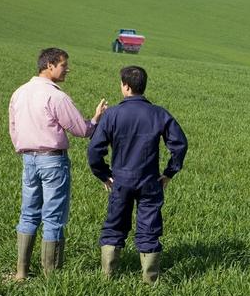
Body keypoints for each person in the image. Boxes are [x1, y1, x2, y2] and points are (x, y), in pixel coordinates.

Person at [9, 48, 107, 280]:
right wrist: (96, 119)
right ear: (50, 65)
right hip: (52, 160)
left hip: (28, 159)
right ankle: (51, 278)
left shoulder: (19, 92)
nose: (67, 69)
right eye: (64, 65)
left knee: (28, 214)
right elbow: (81, 130)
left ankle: (21, 273)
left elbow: (14, 128)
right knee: (53, 217)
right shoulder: (56, 96)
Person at [87, 66, 188, 284]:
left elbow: (94, 150)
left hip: (120, 180)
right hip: (150, 180)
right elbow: (180, 145)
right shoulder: (159, 113)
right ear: (143, 86)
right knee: (149, 228)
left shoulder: (112, 114)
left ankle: (108, 278)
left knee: (114, 226)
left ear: (125, 86)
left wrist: (103, 174)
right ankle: (150, 281)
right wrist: (169, 172)